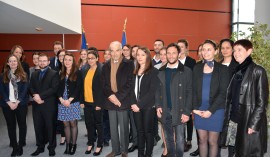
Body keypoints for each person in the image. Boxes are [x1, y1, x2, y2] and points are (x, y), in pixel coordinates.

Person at [220, 39, 269, 157]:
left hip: (248, 119)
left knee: (248, 152)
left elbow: (262, 102)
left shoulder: (258, 71)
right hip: (234, 119)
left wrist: (254, 123)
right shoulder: (236, 70)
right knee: (235, 150)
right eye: (235, 50)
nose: (236, 53)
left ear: (249, 51)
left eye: (239, 50)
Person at [193, 40, 229, 157]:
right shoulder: (197, 67)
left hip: (216, 110)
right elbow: (192, 90)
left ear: (215, 51)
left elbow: (223, 93)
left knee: (212, 142)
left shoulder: (222, 69)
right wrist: (194, 109)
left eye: (209, 49)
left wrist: (210, 111)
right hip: (199, 109)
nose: (205, 52)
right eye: (203, 49)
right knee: (202, 140)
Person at [156, 43, 193, 157]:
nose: (171, 56)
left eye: (174, 53)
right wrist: (157, 106)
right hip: (165, 109)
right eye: (169, 53)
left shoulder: (186, 71)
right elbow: (157, 91)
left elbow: (190, 92)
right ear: (165, 55)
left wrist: (187, 112)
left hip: (180, 110)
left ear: (179, 54)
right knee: (168, 138)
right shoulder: (161, 71)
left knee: (180, 139)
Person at [102, 41, 134, 157]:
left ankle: (124, 150)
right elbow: (104, 84)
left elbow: (130, 83)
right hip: (110, 101)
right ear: (109, 52)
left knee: (124, 127)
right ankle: (115, 150)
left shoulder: (129, 64)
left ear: (121, 51)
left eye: (117, 50)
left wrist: (118, 97)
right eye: (112, 50)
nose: (114, 53)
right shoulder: (105, 65)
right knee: (113, 128)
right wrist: (111, 96)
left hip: (123, 101)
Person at [130, 47, 159, 157]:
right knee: (140, 132)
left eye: (143, 54)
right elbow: (131, 90)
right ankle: (140, 154)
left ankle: (148, 154)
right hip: (135, 106)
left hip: (148, 106)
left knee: (148, 132)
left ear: (147, 56)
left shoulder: (154, 71)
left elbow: (152, 92)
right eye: (138, 55)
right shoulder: (134, 71)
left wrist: (139, 105)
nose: (140, 57)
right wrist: (133, 103)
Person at [29, 53, 59, 156]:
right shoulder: (34, 74)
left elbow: (54, 89)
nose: (42, 62)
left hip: (49, 105)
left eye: (44, 61)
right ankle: (40, 147)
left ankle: (51, 147)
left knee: (50, 127)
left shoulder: (54, 73)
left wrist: (40, 96)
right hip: (37, 105)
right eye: (40, 60)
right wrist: (35, 96)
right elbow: (31, 87)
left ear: (48, 62)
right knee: (38, 126)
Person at [0, 54, 28, 157]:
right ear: (7, 63)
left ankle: (20, 146)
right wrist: (8, 102)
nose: (13, 63)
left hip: (21, 104)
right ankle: (14, 147)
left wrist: (17, 102)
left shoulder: (23, 74)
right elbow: (2, 91)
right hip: (7, 105)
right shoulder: (3, 75)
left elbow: (25, 89)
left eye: (14, 61)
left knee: (22, 125)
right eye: (10, 61)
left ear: (18, 62)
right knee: (11, 126)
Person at [57, 53, 82, 155]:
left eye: (69, 60)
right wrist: (61, 100)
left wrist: (69, 100)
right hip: (62, 102)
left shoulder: (78, 72)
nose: (67, 62)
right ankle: (67, 145)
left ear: (73, 61)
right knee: (65, 124)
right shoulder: (60, 73)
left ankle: (73, 145)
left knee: (73, 124)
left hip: (73, 102)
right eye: (65, 60)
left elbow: (78, 88)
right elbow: (57, 88)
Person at [81, 51, 104, 156]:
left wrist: (100, 103)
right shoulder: (85, 69)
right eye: (88, 58)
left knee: (98, 124)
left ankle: (99, 145)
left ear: (97, 58)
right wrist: (82, 101)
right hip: (87, 103)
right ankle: (90, 143)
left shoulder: (101, 69)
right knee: (88, 124)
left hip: (97, 103)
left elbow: (104, 88)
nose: (90, 60)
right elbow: (82, 86)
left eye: (92, 58)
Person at [177, 39, 196, 152]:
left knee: (187, 118)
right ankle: (181, 140)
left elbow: (193, 80)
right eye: (178, 47)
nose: (180, 49)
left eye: (182, 47)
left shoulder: (191, 61)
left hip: (188, 93)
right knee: (179, 118)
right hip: (177, 94)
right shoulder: (173, 61)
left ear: (186, 48)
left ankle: (189, 140)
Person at [154, 47, 168, 157]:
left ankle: (172, 147)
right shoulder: (156, 68)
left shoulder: (174, 67)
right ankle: (166, 148)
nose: (163, 56)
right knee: (163, 126)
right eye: (161, 54)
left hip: (172, 102)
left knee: (172, 127)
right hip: (161, 102)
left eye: (165, 54)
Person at [55, 49, 66, 145]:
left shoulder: (72, 68)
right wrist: (60, 97)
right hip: (59, 97)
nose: (62, 57)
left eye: (64, 55)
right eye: (60, 56)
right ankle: (63, 136)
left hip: (70, 98)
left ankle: (70, 136)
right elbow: (55, 85)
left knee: (71, 120)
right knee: (62, 118)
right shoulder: (55, 69)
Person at [102, 49, 111, 147]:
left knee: (110, 120)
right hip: (103, 98)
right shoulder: (100, 66)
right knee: (104, 119)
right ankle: (105, 138)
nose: (107, 55)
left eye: (109, 54)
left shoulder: (115, 66)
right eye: (106, 54)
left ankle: (109, 136)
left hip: (113, 98)